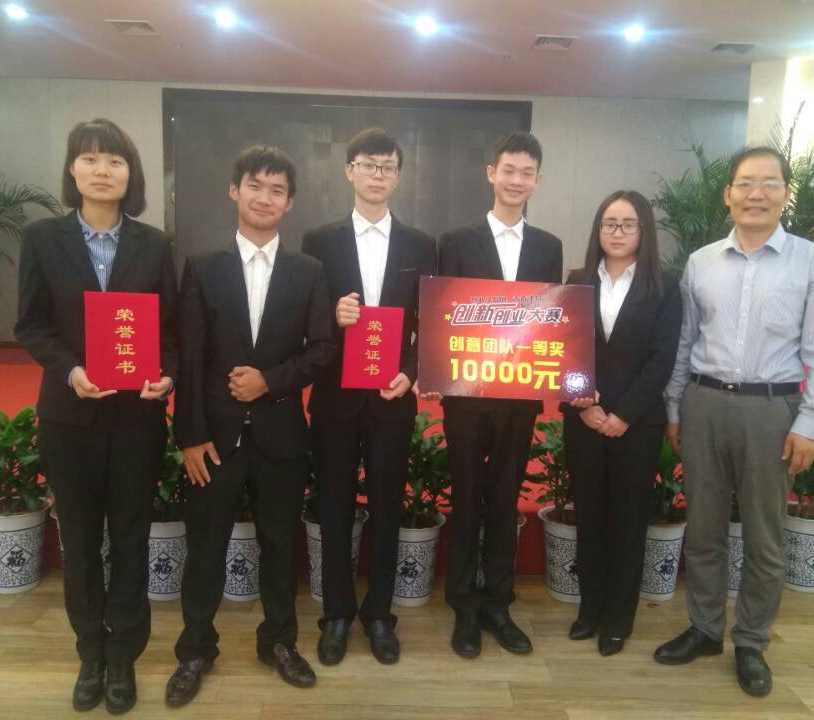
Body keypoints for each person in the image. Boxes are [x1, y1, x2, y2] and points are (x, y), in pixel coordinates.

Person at [655, 146, 814, 696]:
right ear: (728, 194)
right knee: (704, 528)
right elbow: (685, 342)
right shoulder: (701, 262)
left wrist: (810, 422)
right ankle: (705, 628)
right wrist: (674, 407)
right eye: (745, 183)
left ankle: (752, 642)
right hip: (704, 404)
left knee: (764, 536)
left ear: (786, 193)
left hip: (772, 411)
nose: (756, 194)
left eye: (769, 183)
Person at [15, 118, 178, 714]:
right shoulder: (42, 239)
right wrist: (71, 370)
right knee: (81, 541)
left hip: (137, 419)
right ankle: (90, 651)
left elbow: (172, 331)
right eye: (89, 159)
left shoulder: (155, 244)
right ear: (72, 169)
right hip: (69, 417)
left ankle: (124, 654)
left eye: (114, 160)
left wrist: (168, 375)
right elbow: (31, 324)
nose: (102, 170)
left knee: (131, 538)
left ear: (131, 173)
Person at [165, 145, 333, 704]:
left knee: (281, 546)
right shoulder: (202, 268)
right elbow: (190, 357)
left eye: (277, 189)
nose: (265, 197)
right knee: (205, 547)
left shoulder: (308, 272)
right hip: (214, 439)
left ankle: (279, 642)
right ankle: (195, 649)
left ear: (290, 202)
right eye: (255, 185)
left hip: (281, 436)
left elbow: (322, 349)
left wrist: (272, 380)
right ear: (234, 190)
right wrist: (190, 435)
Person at [301, 128, 436, 666]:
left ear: (398, 177)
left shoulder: (421, 245)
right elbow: (303, 317)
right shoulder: (319, 240)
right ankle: (337, 613)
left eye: (388, 167)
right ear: (349, 170)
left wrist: (411, 371)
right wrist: (330, 315)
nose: (378, 174)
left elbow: (431, 323)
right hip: (335, 397)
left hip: (391, 396)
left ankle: (379, 613)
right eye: (369, 164)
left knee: (386, 507)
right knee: (333, 506)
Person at [437, 131, 563, 658]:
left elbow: (549, 321)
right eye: (508, 170)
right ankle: (464, 607)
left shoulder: (548, 247)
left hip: (519, 396)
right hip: (466, 395)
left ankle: (498, 604)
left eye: (526, 173)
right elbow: (444, 315)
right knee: (466, 497)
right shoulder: (456, 241)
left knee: (506, 499)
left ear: (538, 180)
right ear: (491, 173)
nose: (516, 180)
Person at [561, 190, 682, 656]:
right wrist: (583, 405)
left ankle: (618, 619)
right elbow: (564, 348)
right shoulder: (576, 282)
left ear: (643, 231)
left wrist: (623, 414)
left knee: (629, 520)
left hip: (638, 424)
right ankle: (590, 609)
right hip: (583, 419)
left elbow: (662, 358)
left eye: (627, 224)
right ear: (598, 229)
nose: (617, 232)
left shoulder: (665, 287)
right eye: (609, 223)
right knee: (589, 515)